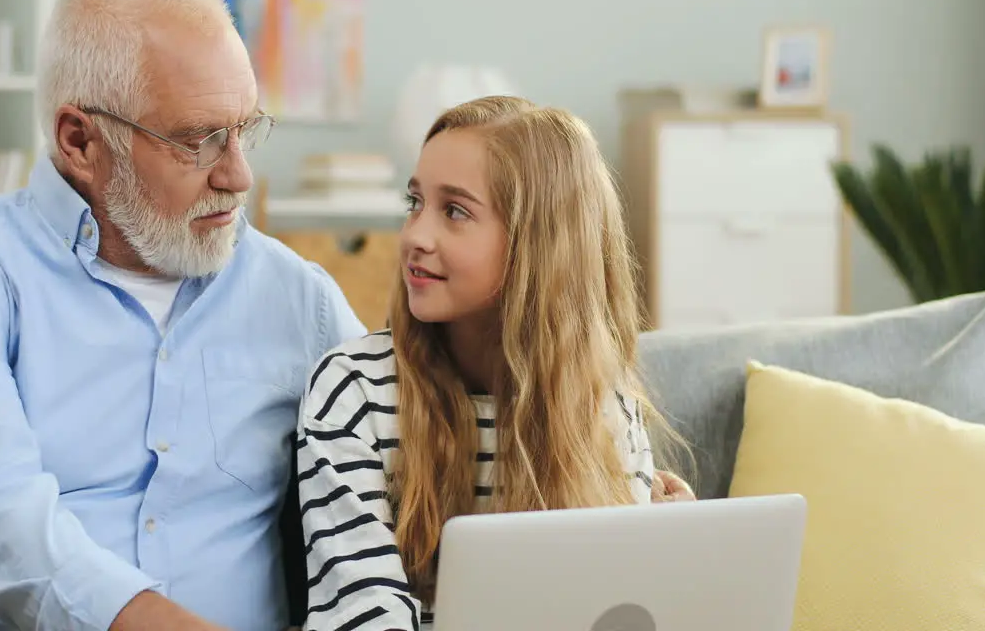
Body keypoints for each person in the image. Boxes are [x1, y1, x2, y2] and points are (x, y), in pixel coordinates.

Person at [0, 0, 364, 631]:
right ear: (80, 141)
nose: (239, 175)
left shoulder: (298, 298)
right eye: (200, 140)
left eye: (246, 129)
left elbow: (413, 462)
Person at [296, 95, 693, 630]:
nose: (414, 235)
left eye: (455, 211)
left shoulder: (605, 406)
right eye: (414, 203)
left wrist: (671, 555)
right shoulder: (354, 394)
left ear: (537, 243)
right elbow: (361, 612)